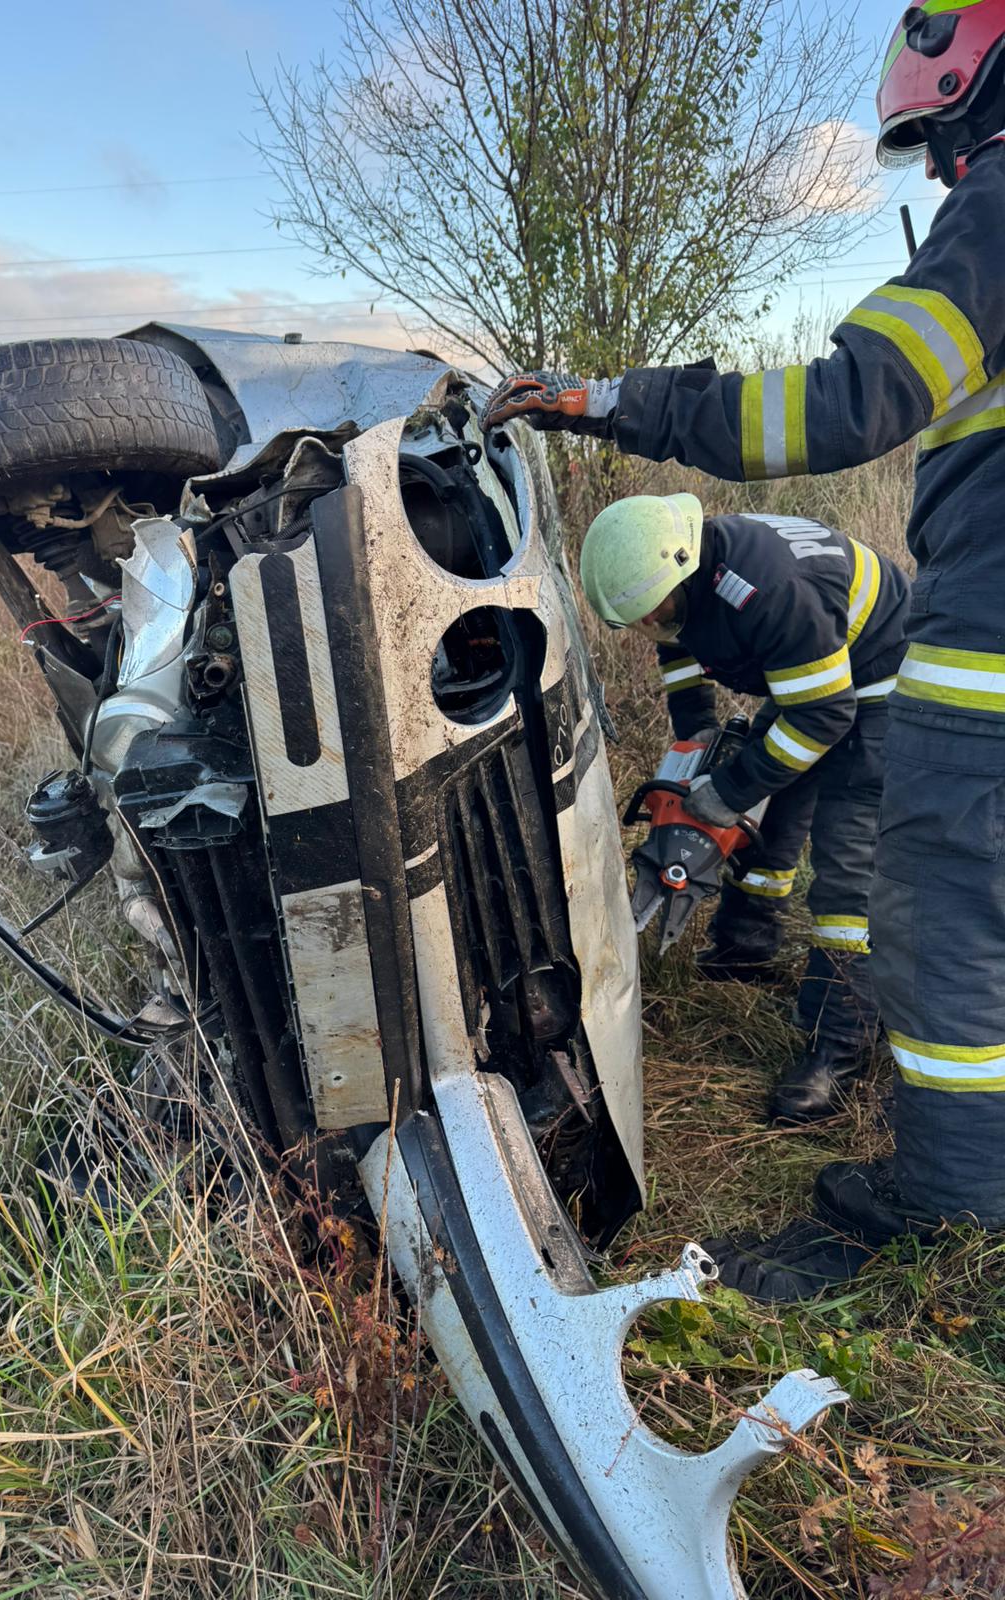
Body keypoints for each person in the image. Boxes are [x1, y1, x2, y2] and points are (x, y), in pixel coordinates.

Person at [481, 0, 1005, 1298]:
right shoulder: (686, 603)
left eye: (940, 145)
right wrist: (692, 778)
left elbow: (841, 406)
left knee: (911, 891)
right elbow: (695, 704)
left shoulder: (760, 583)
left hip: (919, 662)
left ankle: (947, 1199)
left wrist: (619, 404)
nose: (941, 174)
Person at [581, 491, 908, 1124]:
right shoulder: (678, 582)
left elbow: (825, 715)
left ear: (684, 568)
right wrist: (697, 731)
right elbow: (679, 647)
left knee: (845, 874)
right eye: (639, 620)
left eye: (654, 613)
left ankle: (839, 1050)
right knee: (774, 821)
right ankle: (745, 945)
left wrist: (729, 791)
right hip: (810, 678)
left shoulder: (766, 590)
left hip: (877, 685)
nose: (651, 626)